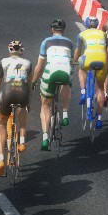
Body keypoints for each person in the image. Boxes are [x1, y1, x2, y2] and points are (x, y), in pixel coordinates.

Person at [0, 40, 34, 173]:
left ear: (9, 50)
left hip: (7, 92)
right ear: (21, 50)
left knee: (1, 124)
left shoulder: (3, 62)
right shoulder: (28, 63)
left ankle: (1, 159)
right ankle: (21, 142)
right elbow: (29, 85)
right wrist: (29, 102)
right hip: (22, 92)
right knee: (23, 110)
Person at [36, 20, 75, 151]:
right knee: (67, 83)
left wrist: (33, 81)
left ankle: (45, 138)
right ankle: (65, 113)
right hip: (65, 71)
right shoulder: (69, 42)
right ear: (63, 30)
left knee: (45, 105)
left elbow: (40, 65)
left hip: (50, 72)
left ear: (52, 30)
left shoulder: (46, 42)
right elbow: (71, 63)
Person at [75, 16, 108, 120]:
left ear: (86, 24)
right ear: (97, 24)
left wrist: (74, 61)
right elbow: (107, 49)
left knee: (81, 69)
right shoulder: (103, 34)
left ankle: (83, 92)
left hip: (88, 60)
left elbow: (78, 51)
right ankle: (99, 119)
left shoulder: (82, 34)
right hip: (102, 60)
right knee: (100, 89)